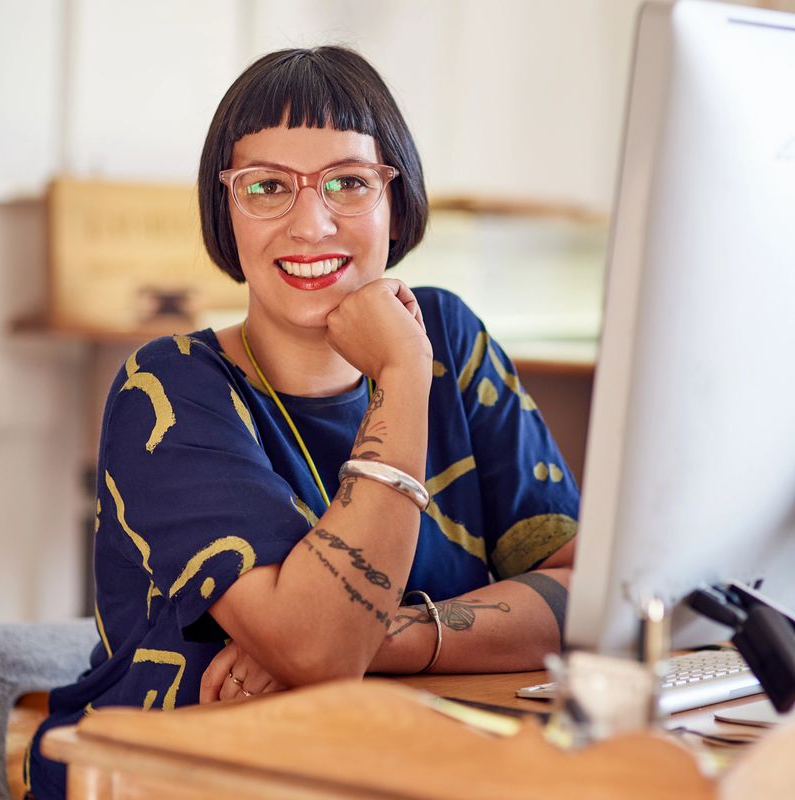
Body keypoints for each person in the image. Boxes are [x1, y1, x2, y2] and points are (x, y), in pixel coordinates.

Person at [28, 46, 578, 797]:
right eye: (266, 187)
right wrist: (403, 376)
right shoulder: (169, 388)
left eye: (349, 182)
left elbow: (581, 594)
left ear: (397, 197)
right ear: (227, 211)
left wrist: (378, 635)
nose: (312, 224)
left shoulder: (450, 334)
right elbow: (321, 649)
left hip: (393, 758)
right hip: (172, 777)